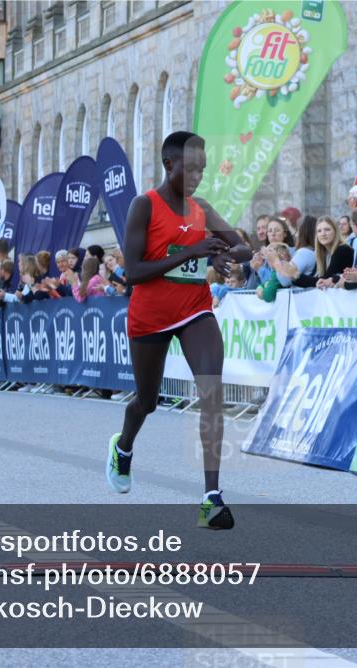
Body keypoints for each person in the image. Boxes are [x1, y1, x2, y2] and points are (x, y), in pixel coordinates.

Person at [111, 131, 251, 529]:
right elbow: (133, 273)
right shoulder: (144, 206)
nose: (197, 177)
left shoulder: (201, 208)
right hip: (150, 316)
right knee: (146, 401)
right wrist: (191, 252)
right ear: (169, 164)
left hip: (194, 310)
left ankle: (211, 499)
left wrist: (222, 253)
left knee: (212, 392)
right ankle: (123, 447)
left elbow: (244, 247)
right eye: (190, 169)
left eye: (202, 170)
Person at [314, 216, 353, 288]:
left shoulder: (343, 250)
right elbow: (318, 278)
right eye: (319, 231)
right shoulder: (323, 254)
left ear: (335, 232)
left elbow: (324, 279)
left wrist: (297, 275)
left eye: (327, 230)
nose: (323, 234)